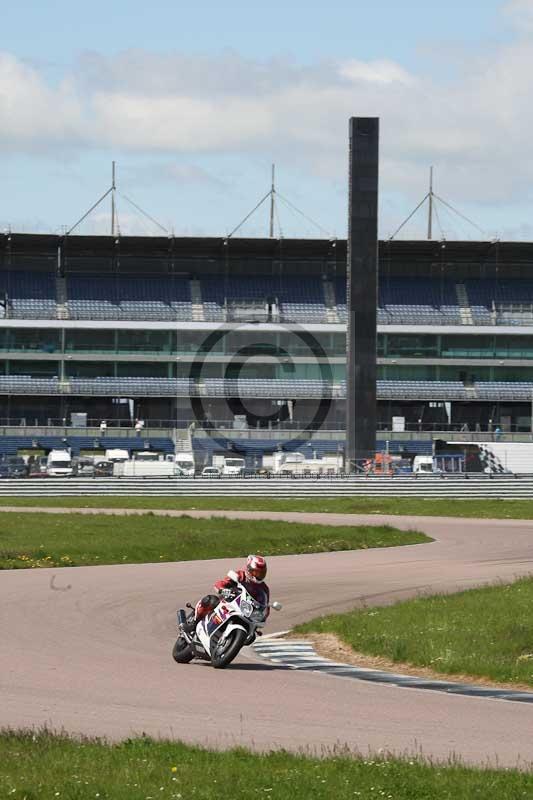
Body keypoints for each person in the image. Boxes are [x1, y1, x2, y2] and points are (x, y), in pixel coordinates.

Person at [182, 555, 269, 634]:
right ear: (249, 569)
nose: (258, 576)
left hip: (245, 611)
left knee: (252, 635)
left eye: (261, 573)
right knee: (210, 600)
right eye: (256, 572)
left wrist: (263, 616)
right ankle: (194, 622)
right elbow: (221, 583)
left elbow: (265, 606)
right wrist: (222, 589)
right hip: (227, 602)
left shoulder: (264, 588)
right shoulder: (240, 575)